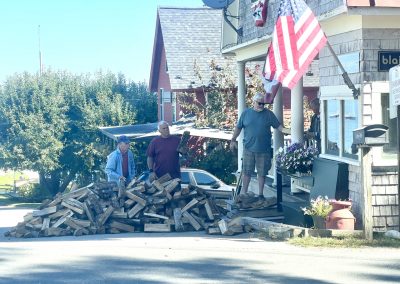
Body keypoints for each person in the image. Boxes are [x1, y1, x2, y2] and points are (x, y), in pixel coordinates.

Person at [230, 93, 288, 199]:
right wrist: (233, 140)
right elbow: (238, 128)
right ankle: (243, 193)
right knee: (247, 171)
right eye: (260, 103)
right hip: (248, 148)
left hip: (264, 149)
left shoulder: (269, 114)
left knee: (262, 172)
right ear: (254, 102)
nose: (262, 106)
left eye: (263, 104)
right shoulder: (246, 113)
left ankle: (261, 194)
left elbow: (278, 126)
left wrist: (287, 130)